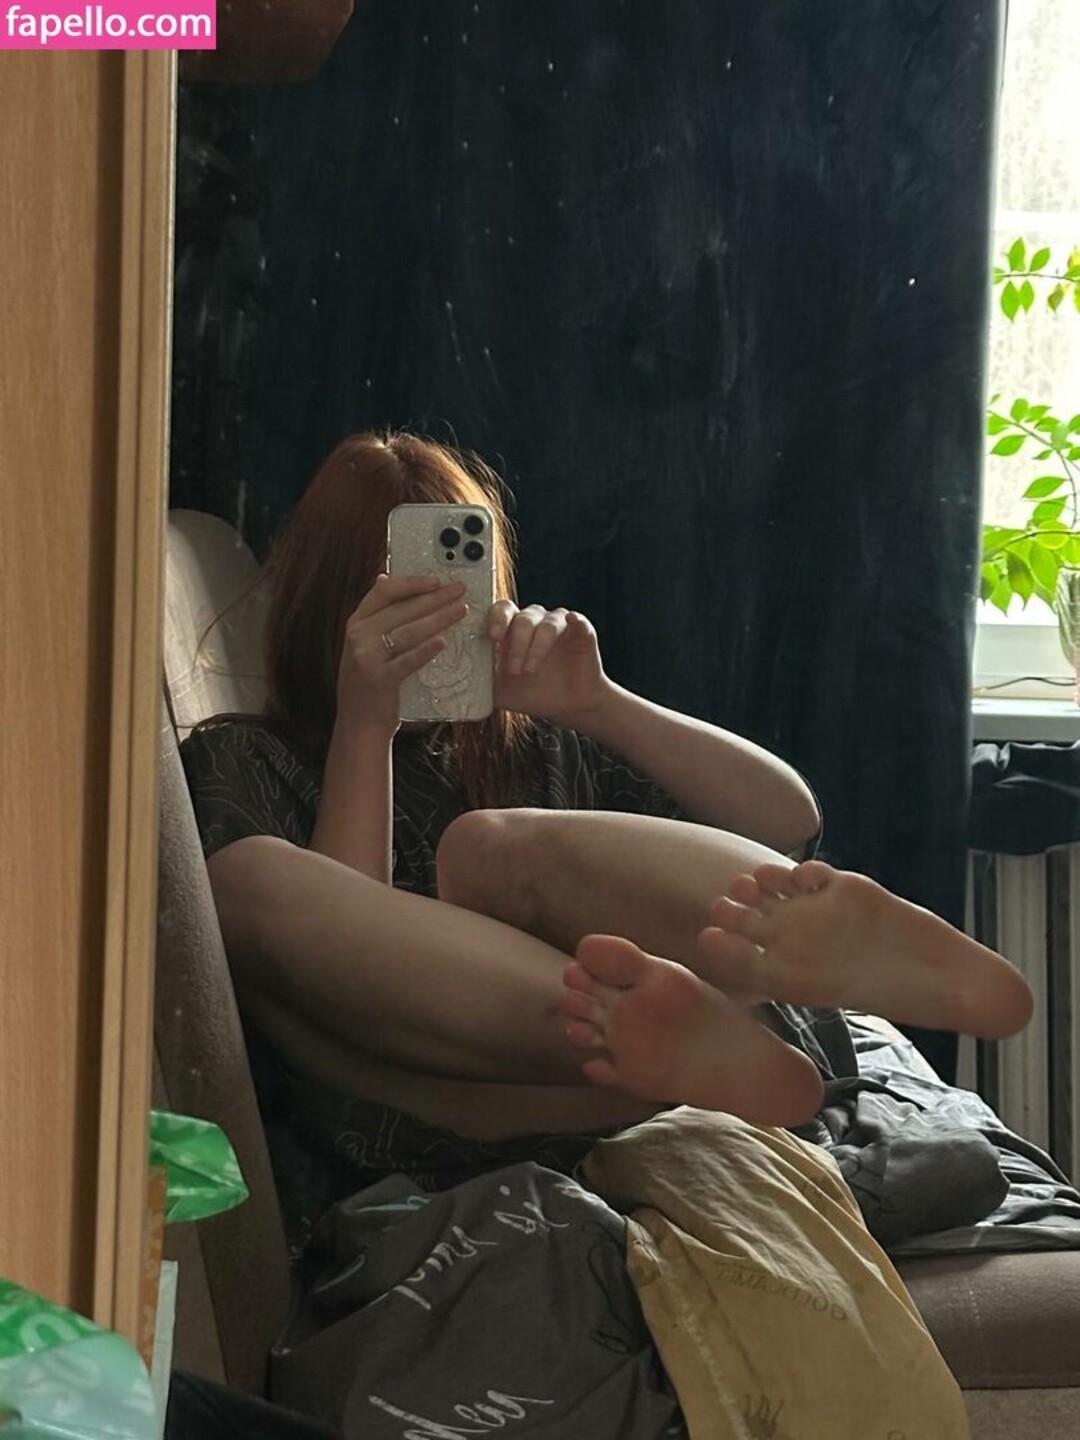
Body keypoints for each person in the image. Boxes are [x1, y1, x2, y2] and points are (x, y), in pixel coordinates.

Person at [181, 430, 1032, 1227]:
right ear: (330, 609)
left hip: (706, 1043)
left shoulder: (529, 743)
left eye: (458, 590)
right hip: (452, 1098)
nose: (433, 628)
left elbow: (789, 820)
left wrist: (600, 703)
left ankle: (782, 963)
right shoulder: (249, 758)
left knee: (486, 846)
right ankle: (650, 1048)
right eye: (402, 600)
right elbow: (340, 978)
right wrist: (365, 727)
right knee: (253, 878)